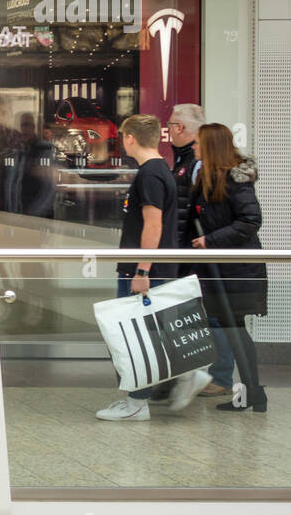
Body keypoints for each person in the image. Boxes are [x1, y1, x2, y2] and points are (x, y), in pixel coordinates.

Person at [96, 113, 211, 421]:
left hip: (148, 269)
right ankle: (187, 373)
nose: (122, 142)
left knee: (134, 336)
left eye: (122, 137)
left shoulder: (150, 174)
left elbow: (153, 225)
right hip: (158, 266)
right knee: (154, 330)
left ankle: (137, 402)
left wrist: (141, 270)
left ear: (130, 138)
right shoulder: (162, 171)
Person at [157, 103, 235, 400]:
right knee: (200, 314)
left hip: (197, 252)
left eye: (171, 124)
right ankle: (196, 374)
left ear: (180, 128)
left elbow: (199, 212)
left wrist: (195, 243)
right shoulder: (185, 161)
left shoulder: (197, 164)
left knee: (213, 315)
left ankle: (220, 375)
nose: (168, 129)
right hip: (189, 250)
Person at [190, 123, 268, 413]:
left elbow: (250, 221)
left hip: (237, 269)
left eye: (198, 143)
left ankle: (253, 394)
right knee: (235, 330)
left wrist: (210, 240)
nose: (194, 147)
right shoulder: (210, 176)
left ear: (210, 146)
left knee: (236, 330)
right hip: (222, 268)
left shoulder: (235, 180)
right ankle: (252, 394)